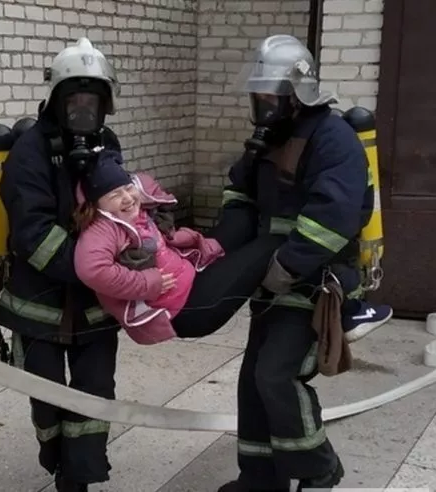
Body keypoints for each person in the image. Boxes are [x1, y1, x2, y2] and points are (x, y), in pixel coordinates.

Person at [208, 34, 379, 491]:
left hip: (315, 280)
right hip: (271, 279)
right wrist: (224, 246)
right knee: (253, 379)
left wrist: (286, 266)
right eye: (259, 95)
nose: (263, 105)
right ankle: (260, 478)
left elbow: (334, 217)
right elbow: (239, 190)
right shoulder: (270, 138)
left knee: (277, 375)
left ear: (298, 94)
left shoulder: (333, 140)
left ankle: (319, 470)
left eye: (272, 96)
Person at [72, 149, 388, 349]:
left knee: (244, 225)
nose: (127, 198)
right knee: (273, 244)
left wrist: (177, 237)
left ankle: (331, 301)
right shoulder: (103, 229)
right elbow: (91, 269)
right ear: (96, 205)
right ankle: (348, 311)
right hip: (187, 310)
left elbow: (146, 187)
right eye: (114, 195)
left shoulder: (131, 212)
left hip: (192, 279)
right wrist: (146, 283)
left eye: (128, 188)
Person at [0, 38, 122, 492]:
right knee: (47, 399)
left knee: (93, 395)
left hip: (95, 309)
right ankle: (55, 456)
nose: (83, 109)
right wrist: (92, 266)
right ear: (57, 99)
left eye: (92, 100)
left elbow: (120, 208)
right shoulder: (29, 152)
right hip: (39, 305)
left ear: (105, 104)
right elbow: (31, 233)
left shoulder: (108, 145)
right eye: (74, 99)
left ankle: (78, 477)